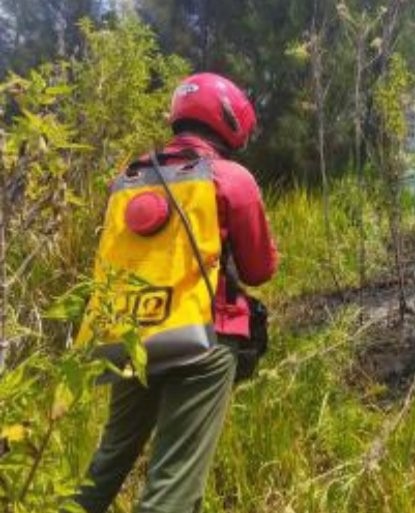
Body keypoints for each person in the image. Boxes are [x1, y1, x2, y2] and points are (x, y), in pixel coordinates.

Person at [73, 72, 278, 512]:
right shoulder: (231, 179)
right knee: (174, 485)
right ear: (230, 120)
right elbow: (261, 269)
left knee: (108, 461)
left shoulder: (126, 178)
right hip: (201, 344)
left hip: (130, 342)